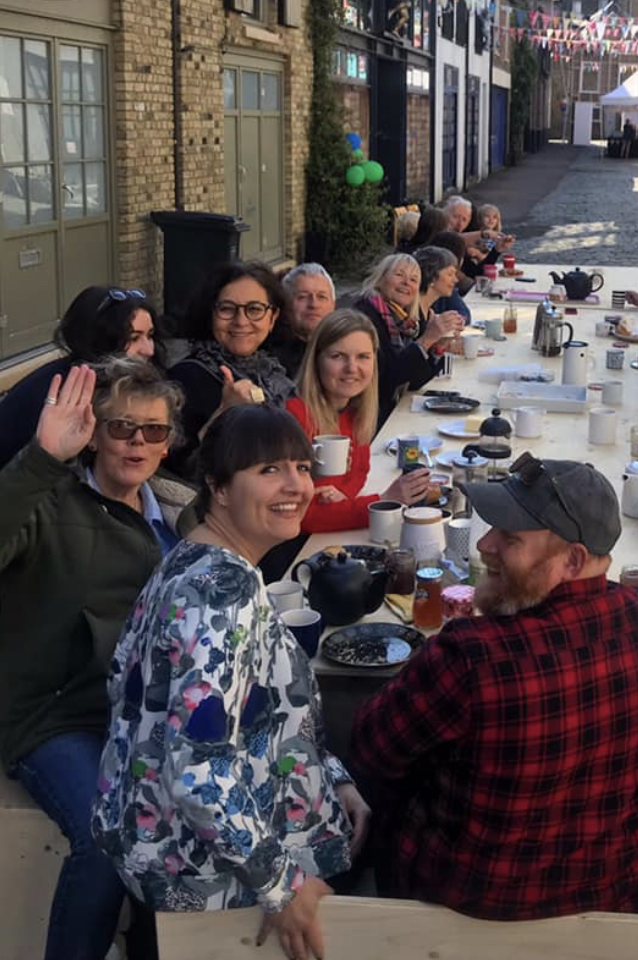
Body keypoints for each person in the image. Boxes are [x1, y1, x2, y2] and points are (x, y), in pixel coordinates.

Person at [93, 405, 369, 959]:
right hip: (209, 887)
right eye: (268, 470)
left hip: (175, 857)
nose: (296, 485)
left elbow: (263, 714)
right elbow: (197, 772)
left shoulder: (196, 559)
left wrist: (331, 776)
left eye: (301, 466)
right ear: (218, 488)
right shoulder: (221, 596)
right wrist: (282, 885)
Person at [351, 454, 638, 920]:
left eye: (510, 538)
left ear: (573, 560)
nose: (484, 544)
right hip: (606, 897)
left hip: (470, 910)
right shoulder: (637, 615)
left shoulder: (470, 655)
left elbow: (370, 750)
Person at [0, 360, 189, 960]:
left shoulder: (176, 512)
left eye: (153, 430)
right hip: (59, 716)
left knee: (200, 821)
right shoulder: (51, 501)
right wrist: (41, 458)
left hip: (147, 718)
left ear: (168, 443)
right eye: (120, 427)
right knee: (106, 837)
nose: (137, 442)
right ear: (93, 435)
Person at [286, 309, 433, 534]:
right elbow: (302, 516)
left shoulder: (355, 412)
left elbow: (359, 473)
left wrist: (341, 497)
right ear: (316, 360)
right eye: (338, 356)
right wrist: (384, 502)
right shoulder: (294, 417)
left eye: (363, 357)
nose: (352, 368)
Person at [0, 284, 162, 472]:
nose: (149, 350)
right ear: (100, 340)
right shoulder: (67, 394)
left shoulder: (102, 381)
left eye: (150, 336)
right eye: (133, 338)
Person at [167, 262, 295, 477]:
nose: (241, 321)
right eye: (227, 309)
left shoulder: (278, 374)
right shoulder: (183, 379)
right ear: (210, 315)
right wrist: (225, 414)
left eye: (254, 309)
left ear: (272, 318)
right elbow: (178, 471)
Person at [354, 252, 463, 428]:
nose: (406, 283)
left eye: (413, 280)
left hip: (391, 409)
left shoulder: (405, 321)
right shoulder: (366, 317)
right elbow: (388, 379)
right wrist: (426, 340)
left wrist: (438, 346)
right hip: (368, 415)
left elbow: (414, 381)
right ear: (380, 279)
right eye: (399, 275)